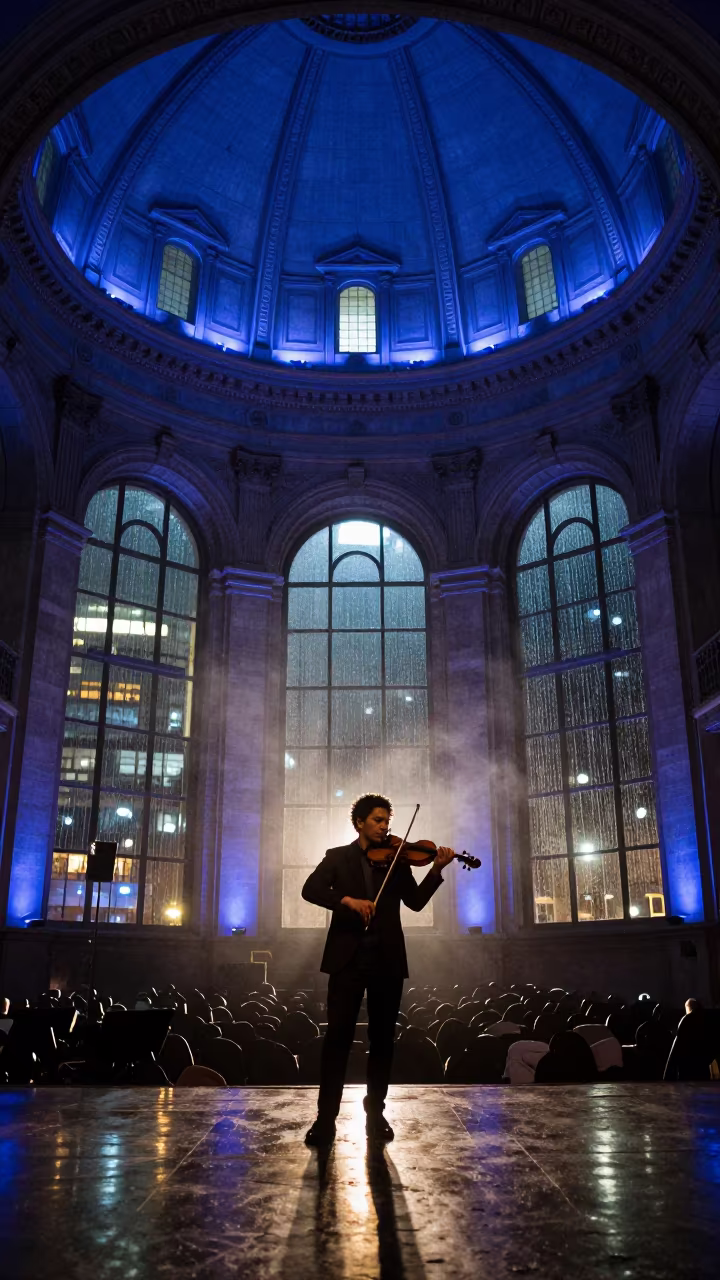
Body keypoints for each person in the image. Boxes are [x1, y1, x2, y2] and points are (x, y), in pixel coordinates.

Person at [301, 793, 454, 1146]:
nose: (385, 827)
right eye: (378, 820)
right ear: (360, 823)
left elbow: (415, 904)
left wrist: (436, 869)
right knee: (337, 1039)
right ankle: (326, 1119)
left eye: (388, 821)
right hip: (347, 961)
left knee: (382, 1041)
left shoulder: (398, 861)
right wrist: (347, 900)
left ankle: (376, 1114)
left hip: (386, 960)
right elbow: (310, 889)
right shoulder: (337, 857)